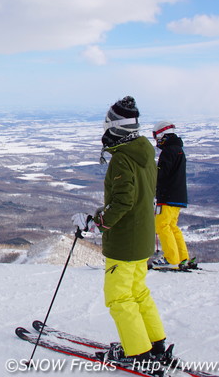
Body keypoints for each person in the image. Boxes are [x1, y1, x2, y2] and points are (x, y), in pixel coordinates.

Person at [73, 96, 170, 374]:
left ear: (115, 127)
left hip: (125, 243)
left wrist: (96, 222)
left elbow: (123, 202)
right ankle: (155, 344)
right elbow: (137, 197)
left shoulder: (122, 160)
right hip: (142, 239)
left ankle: (137, 352)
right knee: (138, 292)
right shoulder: (145, 153)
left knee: (118, 297)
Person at [151, 121, 194, 270]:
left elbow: (161, 175)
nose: (156, 141)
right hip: (178, 196)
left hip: (167, 196)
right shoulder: (178, 150)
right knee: (172, 226)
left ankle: (171, 258)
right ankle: (182, 257)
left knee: (162, 225)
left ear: (163, 134)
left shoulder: (168, 151)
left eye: (157, 137)